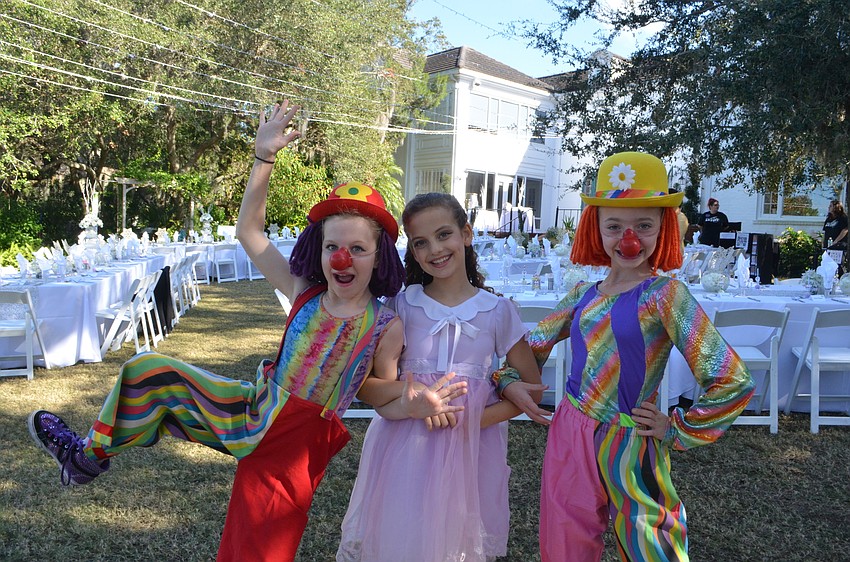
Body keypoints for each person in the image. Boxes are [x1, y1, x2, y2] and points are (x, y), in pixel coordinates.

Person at [27, 101, 466, 562]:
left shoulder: (384, 324)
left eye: (357, 248)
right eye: (333, 246)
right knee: (147, 372)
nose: (343, 259)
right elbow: (249, 232)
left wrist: (412, 400)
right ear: (318, 251)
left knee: (257, 552)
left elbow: (374, 390)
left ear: (379, 257)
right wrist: (264, 158)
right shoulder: (303, 291)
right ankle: (86, 458)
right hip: (251, 409)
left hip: (294, 446)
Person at [494, 152, 755, 561]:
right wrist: (508, 381)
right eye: (614, 226)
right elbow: (528, 350)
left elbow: (731, 378)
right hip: (570, 433)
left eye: (644, 226)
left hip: (633, 438)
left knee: (653, 546)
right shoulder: (582, 293)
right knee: (564, 545)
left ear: (663, 229)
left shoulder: (666, 296)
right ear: (595, 229)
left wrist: (679, 428)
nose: (628, 239)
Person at [337, 192, 551, 562]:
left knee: (456, 545)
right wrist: (410, 398)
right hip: (404, 447)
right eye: (421, 242)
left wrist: (472, 417)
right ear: (413, 252)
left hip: (472, 453)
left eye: (444, 234)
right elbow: (368, 388)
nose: (434, 249)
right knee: (403, 536)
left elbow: (529, 389)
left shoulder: (498, 311)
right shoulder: (402, 306)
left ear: (466, 234)